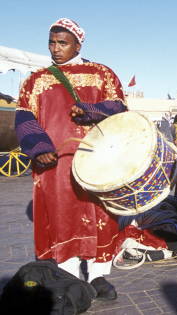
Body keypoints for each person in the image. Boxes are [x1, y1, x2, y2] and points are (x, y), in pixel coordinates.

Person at [14, 18, 127, 300]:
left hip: (97, 160)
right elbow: (25, 117)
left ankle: (99, 275)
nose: (55, 48)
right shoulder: (35, 80)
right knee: (63, 216)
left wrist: (89, 110)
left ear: (78, 44)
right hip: (57, 162)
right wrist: (39, 149)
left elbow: (119, 107)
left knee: (102, 213)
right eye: (52, 42)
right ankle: (70, 277)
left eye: (62, 42)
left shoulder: (102, 73)